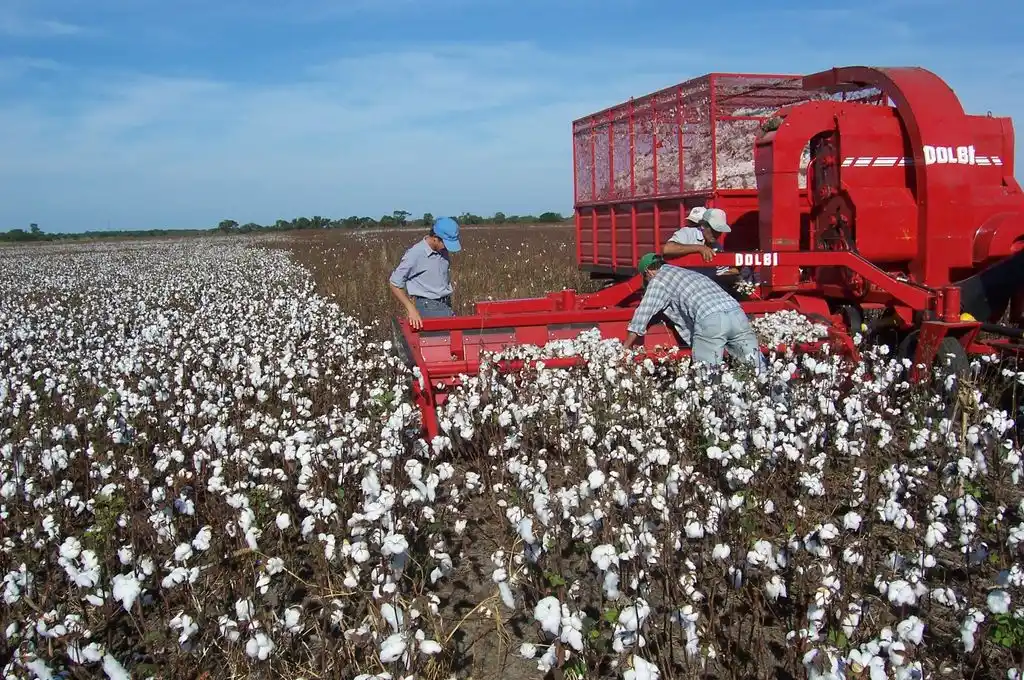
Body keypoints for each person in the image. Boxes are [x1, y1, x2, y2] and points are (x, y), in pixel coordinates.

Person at [623, 252, 764, 372]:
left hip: (710, 319)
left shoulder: (658, 280)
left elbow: (641, 316)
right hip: (737, 313)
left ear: (648, 272)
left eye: (646, 279)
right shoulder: (686, 273)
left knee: (707, 376)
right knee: (757, 367)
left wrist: (626, 348)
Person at [389, 216, 462, 329]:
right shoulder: (415, 254)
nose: (446, 248)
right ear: (435, 238)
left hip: (446, 304)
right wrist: (411, 309)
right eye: (445, 244)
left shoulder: (442, 250)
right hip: (428, 308)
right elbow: (394, 283)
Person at [663, 207, 740, 283]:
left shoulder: (717, 246)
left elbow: (721, 271)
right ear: (703, 226)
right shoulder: (688, 233)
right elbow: (668, 249)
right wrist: (699, 248)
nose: (717, 234)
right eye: (714, 229)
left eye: (720, 231)